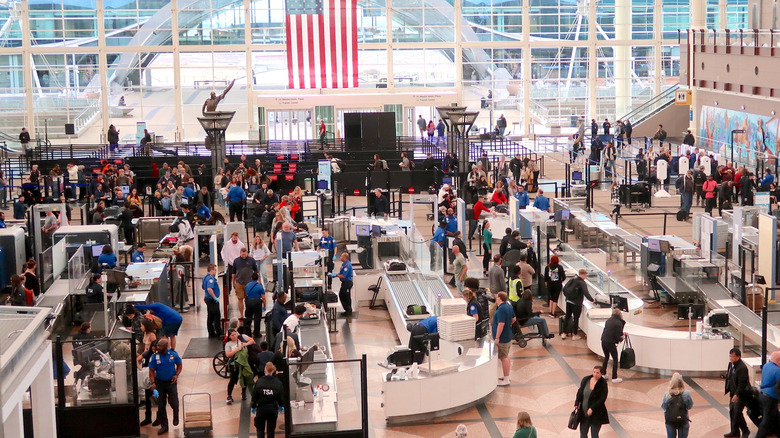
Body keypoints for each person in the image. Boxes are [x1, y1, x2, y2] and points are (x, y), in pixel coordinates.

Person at [148, 338, 182, 435]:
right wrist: (153, 383)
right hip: (160, 383)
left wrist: (176, 375)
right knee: (161, 405)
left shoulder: (173, 354)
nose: (158, 347)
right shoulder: (154, 357)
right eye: (157, 346)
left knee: (174, 401)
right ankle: (164, 426)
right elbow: (151, 371)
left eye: (160, 346)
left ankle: (176, 415)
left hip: (171, 382)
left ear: (166, 346)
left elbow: (179, 364)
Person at [251, 362, 284, 438]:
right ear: (273, 371)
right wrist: (281, 405)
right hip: (272, 409)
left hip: (261, 408)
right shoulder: (278, 383)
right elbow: (280, 397)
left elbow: (254, 396)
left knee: (260, 429)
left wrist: (253, 406)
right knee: (271, 431)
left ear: (265, 370)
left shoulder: (259, 382)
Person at [575, 365, 610, 438]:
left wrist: (592, 408)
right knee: (583, 434)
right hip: (584, 413)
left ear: (601, 374)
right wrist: (577, 402)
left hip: (596, 414)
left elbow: (602, 399)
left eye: (597, 373)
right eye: (594, 372)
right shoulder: (586, 379)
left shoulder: (603, 384)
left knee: (594, 434)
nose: (595, 374)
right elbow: (580, 391)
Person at [725, 347, 751, 437]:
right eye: (730, 356)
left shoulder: (742, 368)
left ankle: (745, 430)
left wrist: (737, 394)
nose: (731, 358)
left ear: (739, 357)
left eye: (733, 357)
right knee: (732, 412)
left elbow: (742, 384)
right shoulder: (731, 365)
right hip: (733, 392)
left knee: (737, 413)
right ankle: (734, 431)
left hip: (741, 394)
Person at [562, 269, 595, 340]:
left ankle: (564, 333)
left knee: (567, 317)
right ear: (582, 274)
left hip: (568, 301)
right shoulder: (582, 283)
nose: (586, 277)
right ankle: (575, 334)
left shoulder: (572, 280)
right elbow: (586, 293)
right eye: (585, 275)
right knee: (576, 319)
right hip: (576, 303)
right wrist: (592, 300)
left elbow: (565, 289)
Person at [225, 328, 254, 404]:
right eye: (232, 335)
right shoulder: (228, 344)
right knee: (232, 380)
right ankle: (229, 395)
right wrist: (237, 349)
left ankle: (243, 393)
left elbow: (252, 340)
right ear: (230, 336)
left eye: (235, 334)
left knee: (244, 378)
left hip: (244, 363)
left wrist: (245, 344)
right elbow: (228, 354)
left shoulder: (242, 337)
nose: (235, 336)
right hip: (234, 365)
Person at [493, 291, 516, 386]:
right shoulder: (508, 306)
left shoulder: (501, 309)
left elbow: (501, 324)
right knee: (506, 356)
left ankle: (506, 379)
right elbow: (514, 319)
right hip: (508, 334)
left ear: (499, 298)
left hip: (502, 337)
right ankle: (506, 376)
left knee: (503, 357)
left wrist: (497, 337)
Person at [662, 372, 694, 438]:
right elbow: (689, 406)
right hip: (682, 419)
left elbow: (664, 407)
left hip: (670, 420)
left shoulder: (667, 394)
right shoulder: (686, 393)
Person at [757, 351, 780, 438]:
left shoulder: (766, 366)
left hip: (762, 395)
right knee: (767, 421)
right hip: (771, 398)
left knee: (776, 417)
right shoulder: (777, 370)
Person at [601, 308, 626, 383]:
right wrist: (622, 338)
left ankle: (603, 373)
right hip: (610, 342)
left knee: (606, 357)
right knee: (615, 359)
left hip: (603, 340)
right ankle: (614, 377)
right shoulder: (619, 323)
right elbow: (617, 336)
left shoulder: (608, 320)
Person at [203, 263, 222, 338]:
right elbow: (209, 289)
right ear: (211, 270)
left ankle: (211, 332)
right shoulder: (210, 279)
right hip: (211, 300)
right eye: (214, 270)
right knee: (216, 316)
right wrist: (214, 297)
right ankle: (218, 332)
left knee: (210, 316)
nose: (215, 272)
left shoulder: (205, 277)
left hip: (208, 298)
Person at [243, 272, 265, 337]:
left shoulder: (247, 285)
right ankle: (256, 333)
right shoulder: (259, 286)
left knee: (248, 317)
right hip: (257, 302)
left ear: (251, 278)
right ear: (257, 278)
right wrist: (265, 305)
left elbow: (245, 294)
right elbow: (263, 297)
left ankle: (247, 332)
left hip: (248, 302)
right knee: (257, 318)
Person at [333, 252, 354, 317]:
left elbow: (344, 276)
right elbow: (341, 273)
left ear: (345, 257)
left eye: (342, 256)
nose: (340, 257)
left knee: (346, 296)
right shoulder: (343, 264)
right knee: (342, 295)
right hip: (344, 283)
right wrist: (335, 275)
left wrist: (336, 275)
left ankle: (349, 310)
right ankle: (347, 309)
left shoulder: (347, 265)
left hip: (347, 283)